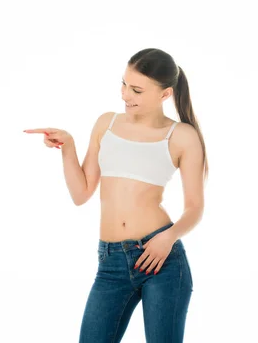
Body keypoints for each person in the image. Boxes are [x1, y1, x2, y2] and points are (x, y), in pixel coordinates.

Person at [25, 48, 206, 342]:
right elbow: (81, 193)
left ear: (165, 94)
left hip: (159, 258)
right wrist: (68, 146)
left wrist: (168, 238)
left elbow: (195, 208)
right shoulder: (106, 123)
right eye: (123, 84)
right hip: (110, 262)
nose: (125, 95)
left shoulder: (182, 136)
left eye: (136, 89)